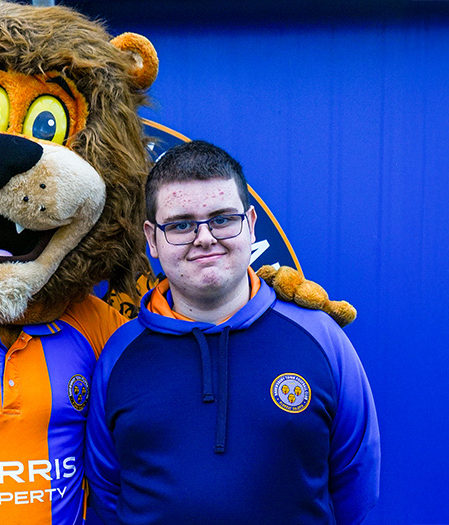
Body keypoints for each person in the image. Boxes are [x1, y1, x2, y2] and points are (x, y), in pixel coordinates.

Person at [86, 140, 380, 524]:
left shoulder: (319, 338)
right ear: (152, 240)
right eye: (180, 225)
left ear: (251, 225)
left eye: (222, 219)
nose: (205, 238)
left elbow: (355, 481)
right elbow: (106, 492)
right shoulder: (120, 353)